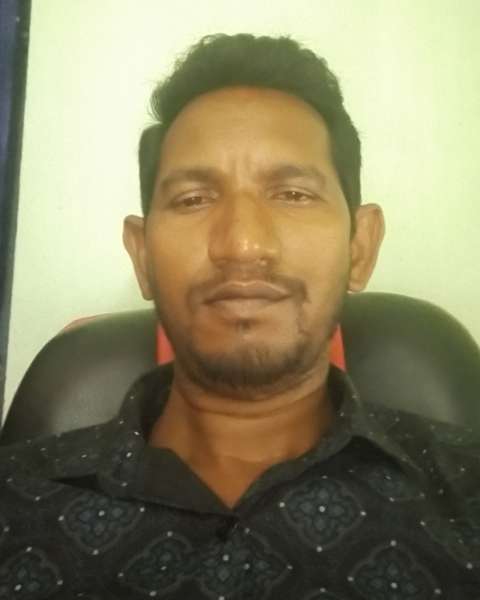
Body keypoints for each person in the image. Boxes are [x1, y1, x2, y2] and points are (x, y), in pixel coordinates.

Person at [0, 33, 479, 599]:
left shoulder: (464, 493)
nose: (243, 245)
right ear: (142, 256)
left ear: (360, 247)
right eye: (193, 199)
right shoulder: (15, 502)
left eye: (293, 194)